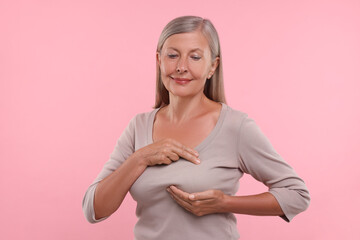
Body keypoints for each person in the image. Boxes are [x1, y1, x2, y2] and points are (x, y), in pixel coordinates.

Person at [82, 16, 310, 239]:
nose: (181, 67)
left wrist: (224, 203)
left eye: (195, 57)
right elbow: (94, 209)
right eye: (172, 55)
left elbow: (296, 195)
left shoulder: (235, 126)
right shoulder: (138, 127)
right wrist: (140, 158)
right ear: (159, 60)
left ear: (213, 66)